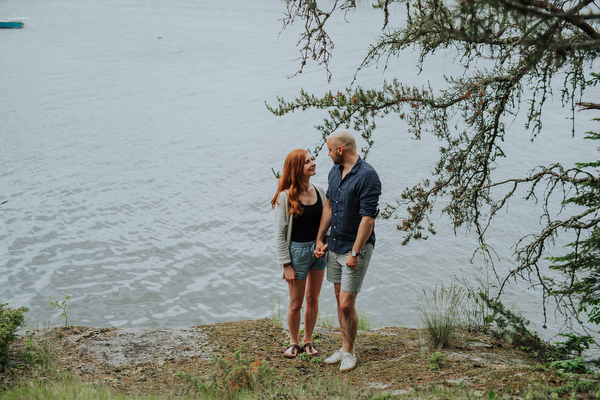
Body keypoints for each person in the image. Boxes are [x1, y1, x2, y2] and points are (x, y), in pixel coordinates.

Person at [314, 129, 382, 372]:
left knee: (345, 304)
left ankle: (350, 352)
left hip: (356, 248)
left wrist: (355, 252)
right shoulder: (334, 171)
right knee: (337, 297)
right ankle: (344, 348)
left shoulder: (367, 176)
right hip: (335, 244)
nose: (328, 155)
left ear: (341, 150)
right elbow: (329, 207)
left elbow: (368, 219)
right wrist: (320, 238)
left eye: (330, 150)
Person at [272, 149, 328, 358]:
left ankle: (308, 341)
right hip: (296, 253)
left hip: (318, 251)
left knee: (313, 299)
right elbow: (279, 235)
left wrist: (324, 243)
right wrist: (286, 265)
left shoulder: (320, 191)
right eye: (307, 162)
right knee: (296, 303)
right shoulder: (285, 197)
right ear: (297, 168)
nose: (313, 164)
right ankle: (293, 342)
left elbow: (326, 223)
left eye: (312, 160)